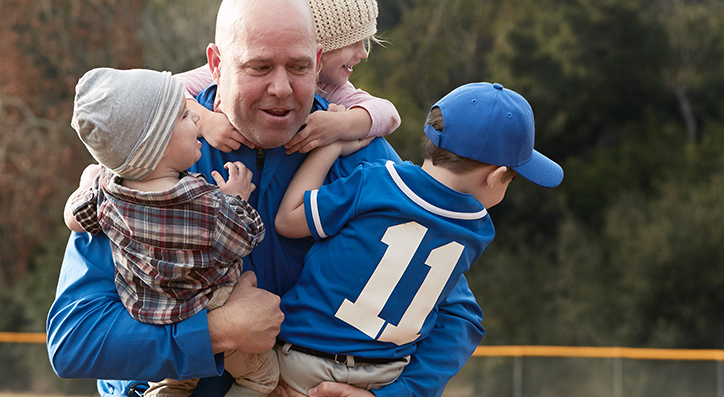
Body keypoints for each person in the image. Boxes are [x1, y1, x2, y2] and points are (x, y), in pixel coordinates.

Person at [46, 1, 484, 396]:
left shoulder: (362, 157)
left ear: (317, 64)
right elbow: (74, 341)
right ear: (217, 65)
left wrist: (393, 395)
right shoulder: (149, 159)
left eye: (297, 67)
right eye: (259, 68)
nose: (281, 88)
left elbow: (456, 314)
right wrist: (216, 331)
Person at [272, 82, 563, 394]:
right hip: (386, 376)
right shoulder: (477, 232)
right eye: (512, 178)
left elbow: (288, 219)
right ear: (494, 177)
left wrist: (330, 147)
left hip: (303, 363)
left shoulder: (376, 180)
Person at [62, 67, 276, 397]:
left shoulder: (107, 196)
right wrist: (237, 198)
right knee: (262, 380)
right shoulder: (205, 203)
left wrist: (87, 182)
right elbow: (245, 237)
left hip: (150, 317)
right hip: (210, 305)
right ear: (158, 145)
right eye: (182, 117)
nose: (196, 118)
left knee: (171, 381)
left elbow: (75, 218)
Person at [175, 0, 401, 155]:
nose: (363, 53)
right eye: (260, 67)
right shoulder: (226, 71)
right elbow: (169, 88)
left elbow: (390, 115)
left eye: (299, 66)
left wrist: (339, 125)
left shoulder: (334, 90)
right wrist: (205, 121)